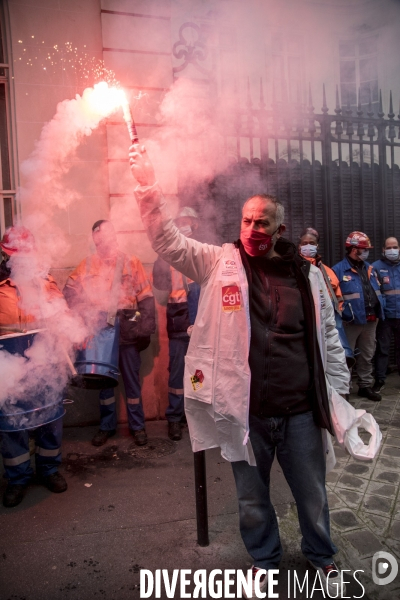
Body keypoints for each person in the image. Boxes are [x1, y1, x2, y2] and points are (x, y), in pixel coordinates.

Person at [129, 144, 350, 598]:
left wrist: (339, 394)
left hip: (301, 411)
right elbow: (167, 241)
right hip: (246, 413)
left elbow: (328, 334)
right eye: (247, 221)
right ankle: (265, 561)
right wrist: (147, 185)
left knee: (312, 494)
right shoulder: (217, 263)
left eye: (262, 222)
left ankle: (321, 556)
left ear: (279, 228)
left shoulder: (306, 276)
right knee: (251, 499)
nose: (252, 229)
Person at [64, 220, 155, 447]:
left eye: (106, 238)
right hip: (100, 333)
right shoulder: (86, 266)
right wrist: (80, 321)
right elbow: (68, 295)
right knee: (104, 383)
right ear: (94, 240)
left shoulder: (131, 262)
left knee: (132, 382)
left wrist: (145, 329)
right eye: (98, 240)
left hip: (127, 331)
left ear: (114, 236)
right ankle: (107, 426)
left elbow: (146, 297)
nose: (103, 244)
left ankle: (138, 427)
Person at [0, 226, 68, 508]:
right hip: (10, 370)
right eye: (14, 255)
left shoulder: (47, 284)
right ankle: (18, 478)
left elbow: (64, 319)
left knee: (50, 419)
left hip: (45, 366)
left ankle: (48, 470)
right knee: (12, 425)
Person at [152, 207, 201, 441]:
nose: (185, 225)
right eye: (180, 221)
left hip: (201, 324)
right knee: (177, 373)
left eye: (188, 222)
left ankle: (195, 416)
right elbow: (161, 296)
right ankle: (174, 417)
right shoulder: (166, 257)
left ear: (196, 225)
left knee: (198, 373)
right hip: (179, 324)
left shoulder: (203, 252)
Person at [333, 231, 385, 402]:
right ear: (354, 249)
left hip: (370, 320)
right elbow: (334, 297)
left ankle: (365, 385)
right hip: (350, 322)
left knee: (367, 355)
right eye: (364, 249)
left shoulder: (370, 268)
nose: (367, 252)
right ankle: (344, 389)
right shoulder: (338, 270)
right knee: (346, 357)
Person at [298, 228, 355, 370]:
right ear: (299, 246)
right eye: (305, 243)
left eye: (311, 243)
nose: (308, 245)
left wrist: (339, 312)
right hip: (304, 317)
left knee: (334, 353)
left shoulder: (327, 271)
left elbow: (337, 296)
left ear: (317, 245)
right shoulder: (294, 268)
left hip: (328, 317)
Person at [372, 237, 400, 392]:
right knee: (382, 349)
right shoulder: (375, 267)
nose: (392, 250)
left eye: (395, 247)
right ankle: (380, 380)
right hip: (385, 317)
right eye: (389, 247)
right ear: (383, 250)